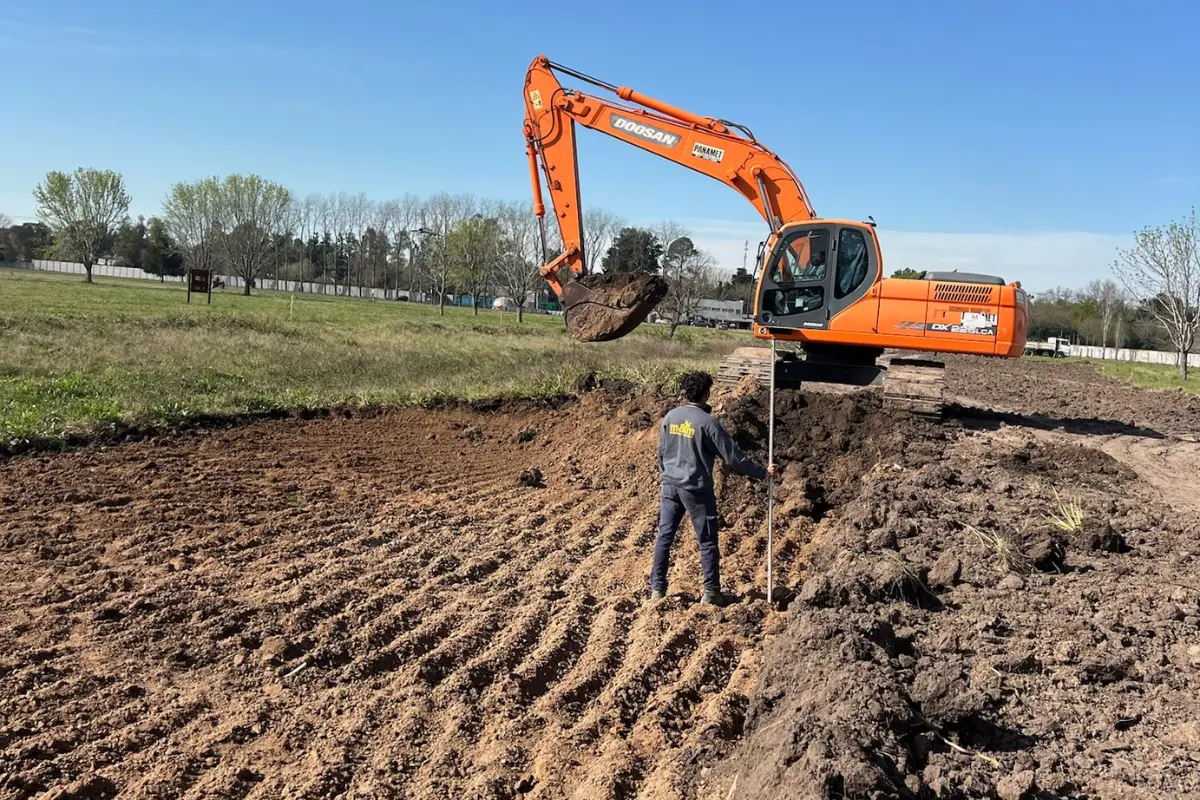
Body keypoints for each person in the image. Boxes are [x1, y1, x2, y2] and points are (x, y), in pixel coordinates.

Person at [651, 371, 775, 607]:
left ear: (686, 393)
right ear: (706, 393)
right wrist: (762, 472)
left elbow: (662, 452)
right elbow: (733, 457)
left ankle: (657, 589)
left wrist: (667, 474)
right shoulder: (708, 423)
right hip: (696, 489)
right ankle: (711, 592)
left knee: (664, 537)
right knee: (707, 541)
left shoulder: (671, 416)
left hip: (670, 485)